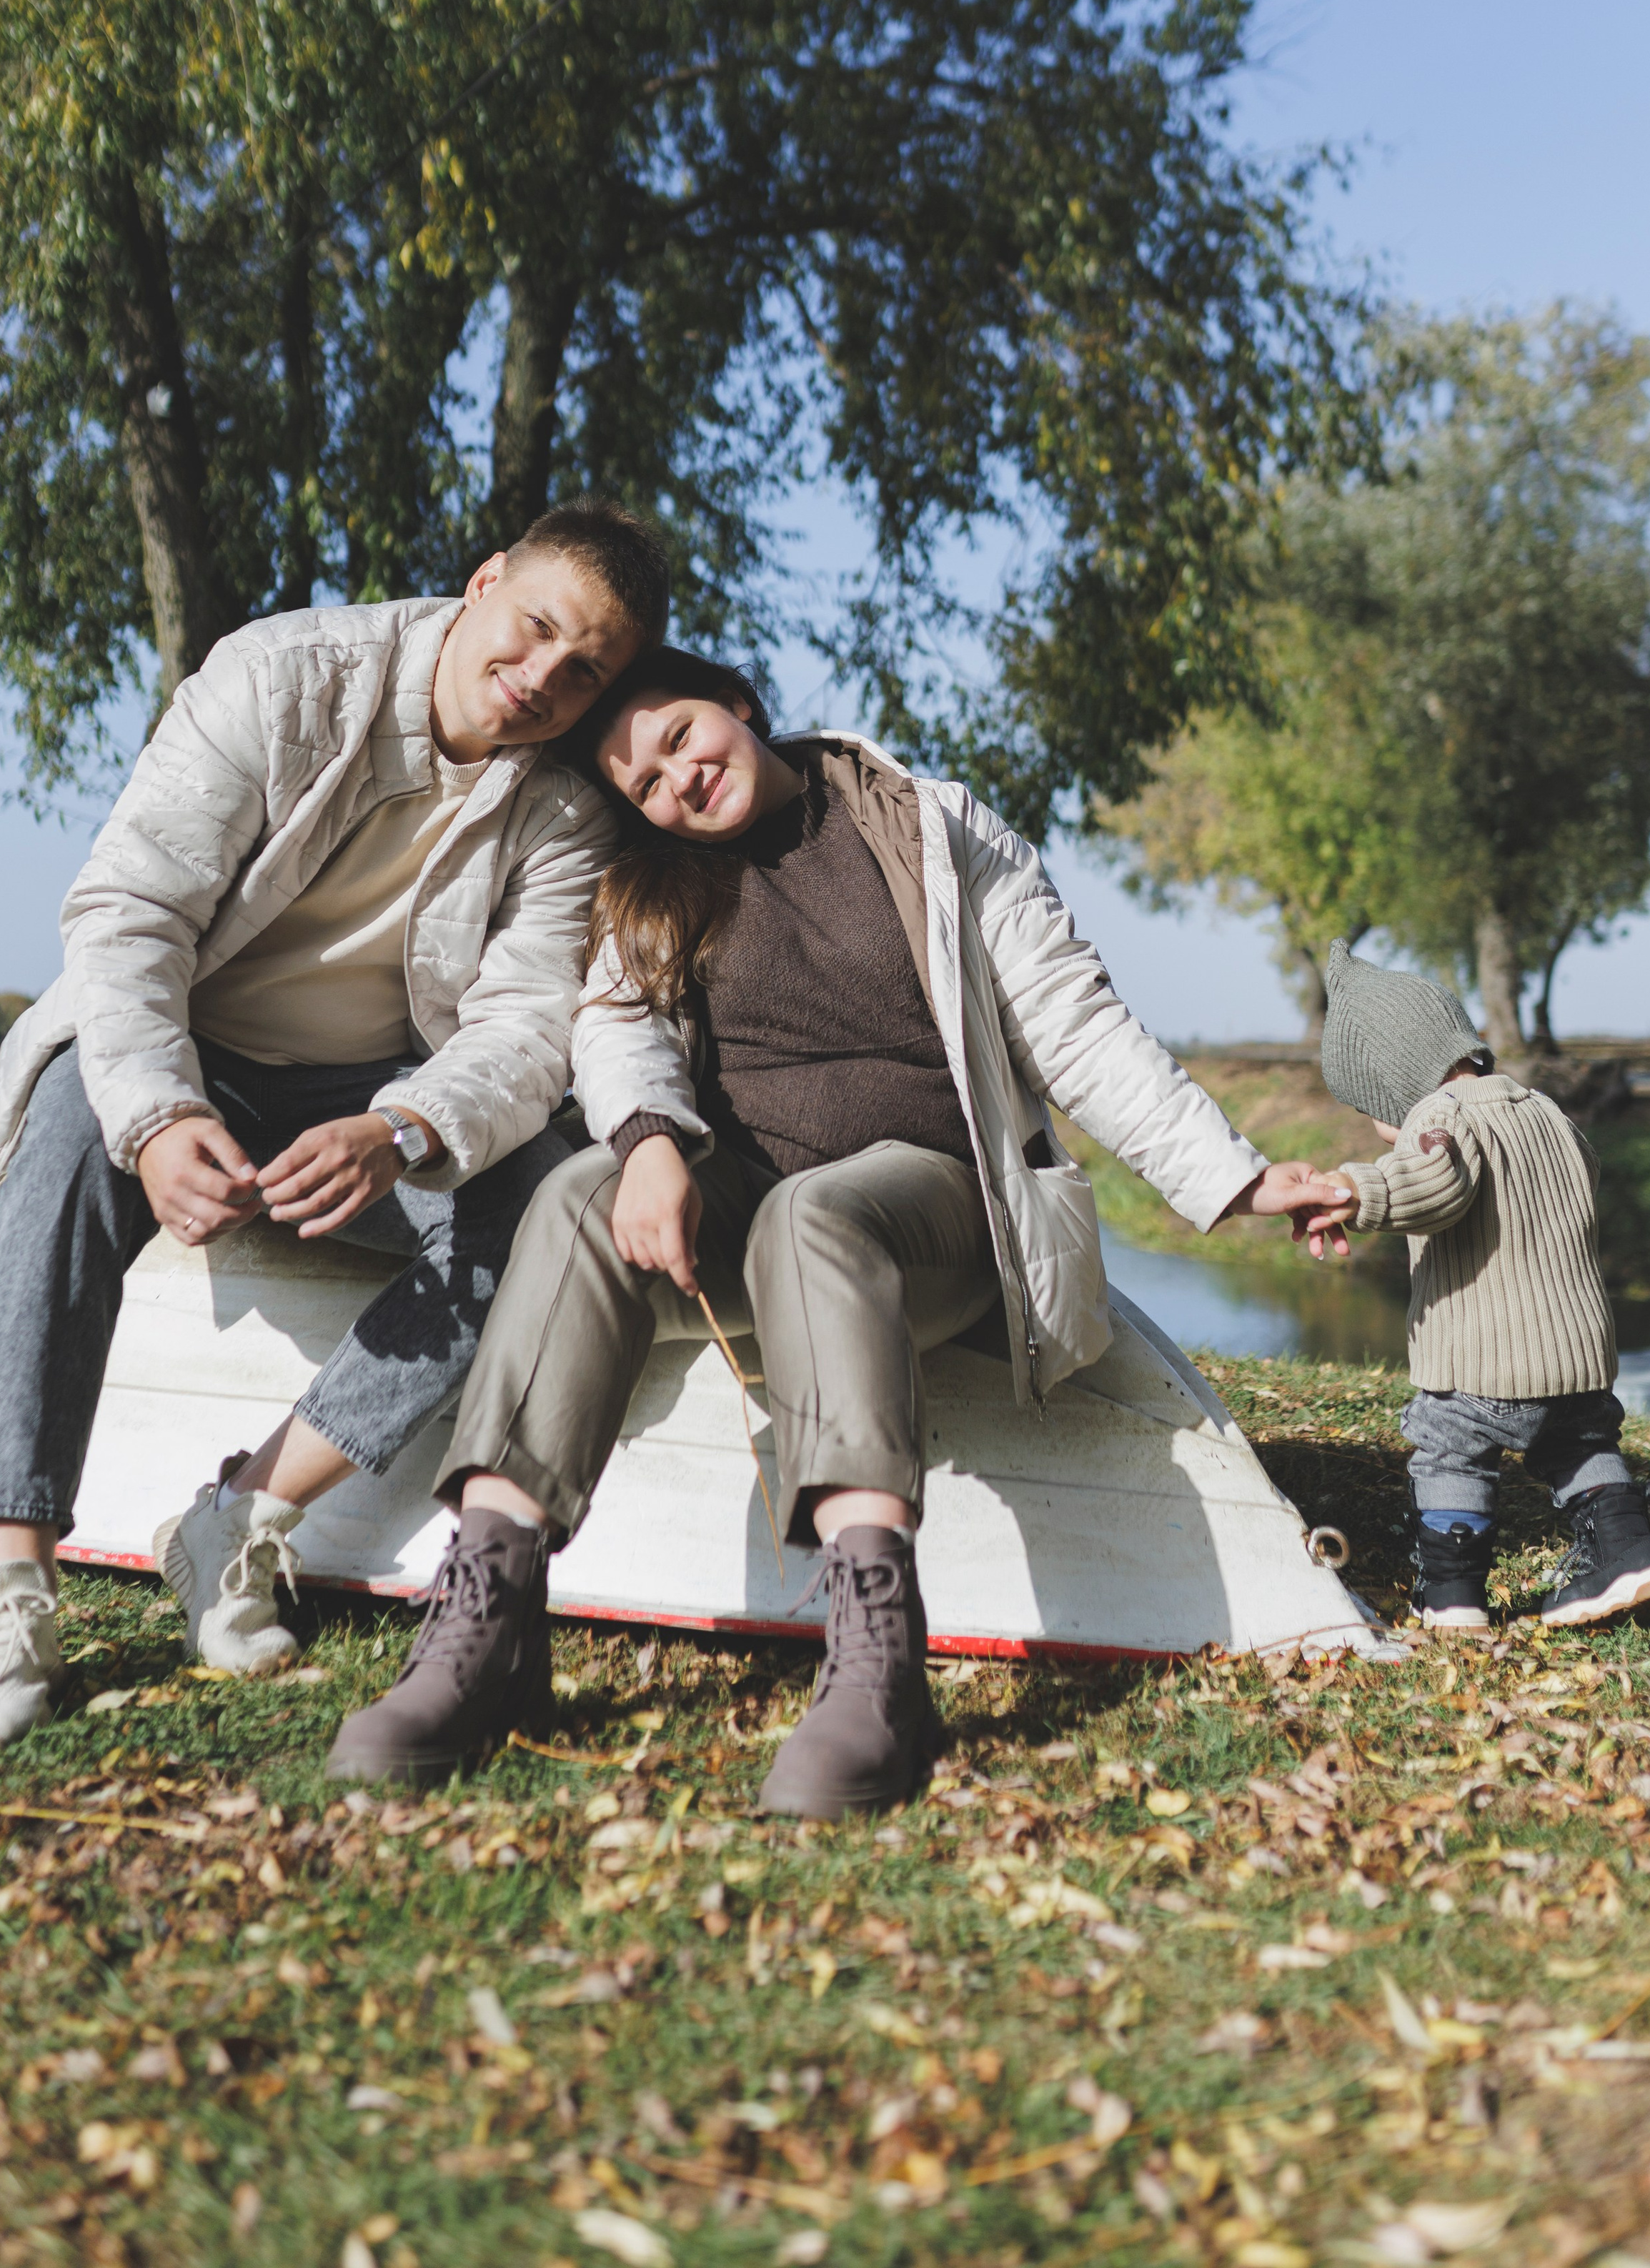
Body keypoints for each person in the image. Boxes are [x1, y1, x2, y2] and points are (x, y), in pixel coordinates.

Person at [327, 650, 1353, 1809]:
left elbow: (1079, 1029)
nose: (674, 783)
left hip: (928, 1217)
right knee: (576, 1198)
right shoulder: (650, 885)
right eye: (643, 785)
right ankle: (490, 1622)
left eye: (679, 739)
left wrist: (1240, 1180)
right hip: (748, 1216)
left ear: (740, 705)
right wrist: (650, 1143)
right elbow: (619, 1034)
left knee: (821, 1214)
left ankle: (875, 1659)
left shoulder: (927, 827)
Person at [0, 502, 671, 1759]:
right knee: (63, 1121)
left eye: (585, 669)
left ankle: (241, 1515)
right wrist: (157, 1119)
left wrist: (407, 1125)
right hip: (185, 1042)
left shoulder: (570, 812)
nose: (543, 679)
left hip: (367, 1095)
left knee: (543, 1202)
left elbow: (529, 1031)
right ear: (483, 581)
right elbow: (127, 913)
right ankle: (11, 1586)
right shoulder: (280, 675)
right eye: (534, 628)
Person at [1302, 939, 1650, 1633]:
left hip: (1481, 1364)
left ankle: (1451, 1598)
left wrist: (1356, 1188)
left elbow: (1433, 1182)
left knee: (1449, 1449)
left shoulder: (1438, 1119)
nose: (1380, 1130)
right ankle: (1628, 1554)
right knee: (1579, 1445)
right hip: (1575, 1360)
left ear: (1398, 1083)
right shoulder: (1542, 1108)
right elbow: (1584, 1173)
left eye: (1373, 1112)